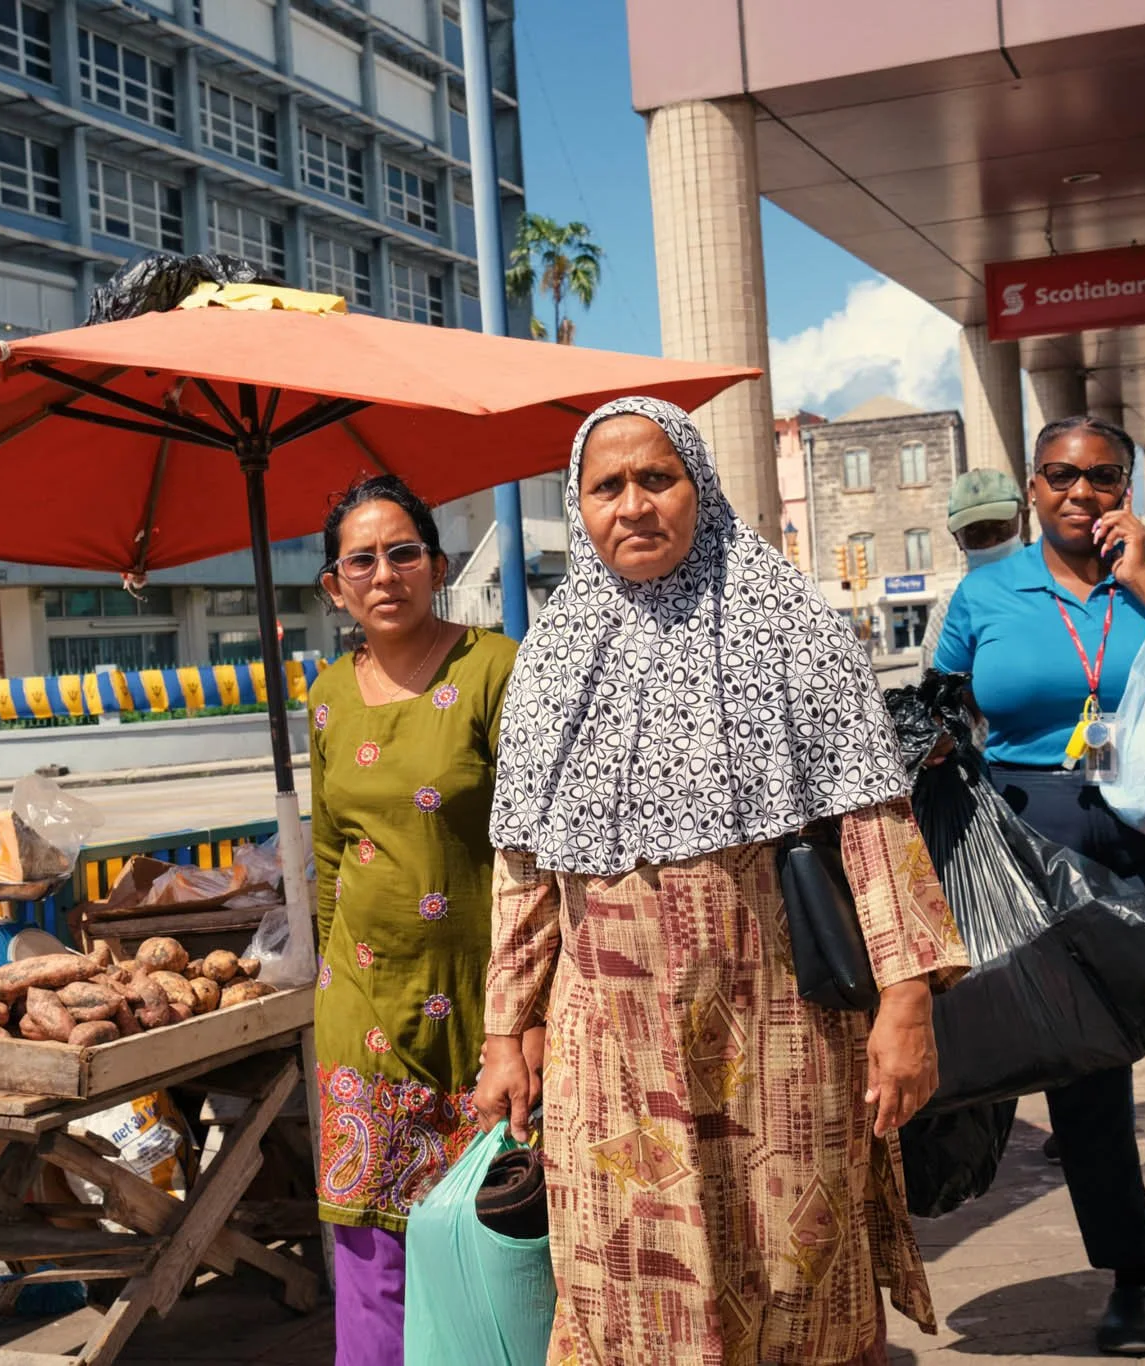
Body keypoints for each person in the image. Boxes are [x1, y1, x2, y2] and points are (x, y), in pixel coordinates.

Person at [475, 396, 968, 1366]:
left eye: (655, 478)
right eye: (606, 486)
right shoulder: (550, 659)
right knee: (625, 1290)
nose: (633, 504)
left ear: (698, 484)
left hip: (775, 1034)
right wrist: (503, 1029)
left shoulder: (791, 624)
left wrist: (906, 1000)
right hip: (608, 1051)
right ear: (578, 505)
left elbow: (873, 822)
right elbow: (522, 870)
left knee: (798, 1279)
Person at [932, 415, 1145, 1366]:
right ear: (1032, 488)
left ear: (1125, 487)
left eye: (1101, 477)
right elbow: (946, 704)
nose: (1079, 493)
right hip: (1040, 839)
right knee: (1083, 1067)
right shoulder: (986, 592)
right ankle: (1131, 1273)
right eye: (1060, 475)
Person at [303, 474, 521, 1366]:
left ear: (437, 565)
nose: (384, 574)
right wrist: (326, 978)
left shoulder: (496, 669)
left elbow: (535, 848)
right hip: (360, 1002)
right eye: (361, 561)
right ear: (335, 587)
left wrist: (531, 1009)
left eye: (403, 553)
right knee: (369, 1242)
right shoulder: (326, 695)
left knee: (491, 1228)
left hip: (485, 1004)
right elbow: (328, 854)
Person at [921, 467, 1028, 669]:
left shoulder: (1058, 590)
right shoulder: (945, 617)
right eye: (974, 533)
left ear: (1024, 519)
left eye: (1000, 528)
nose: (990, 542)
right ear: (957, 540)